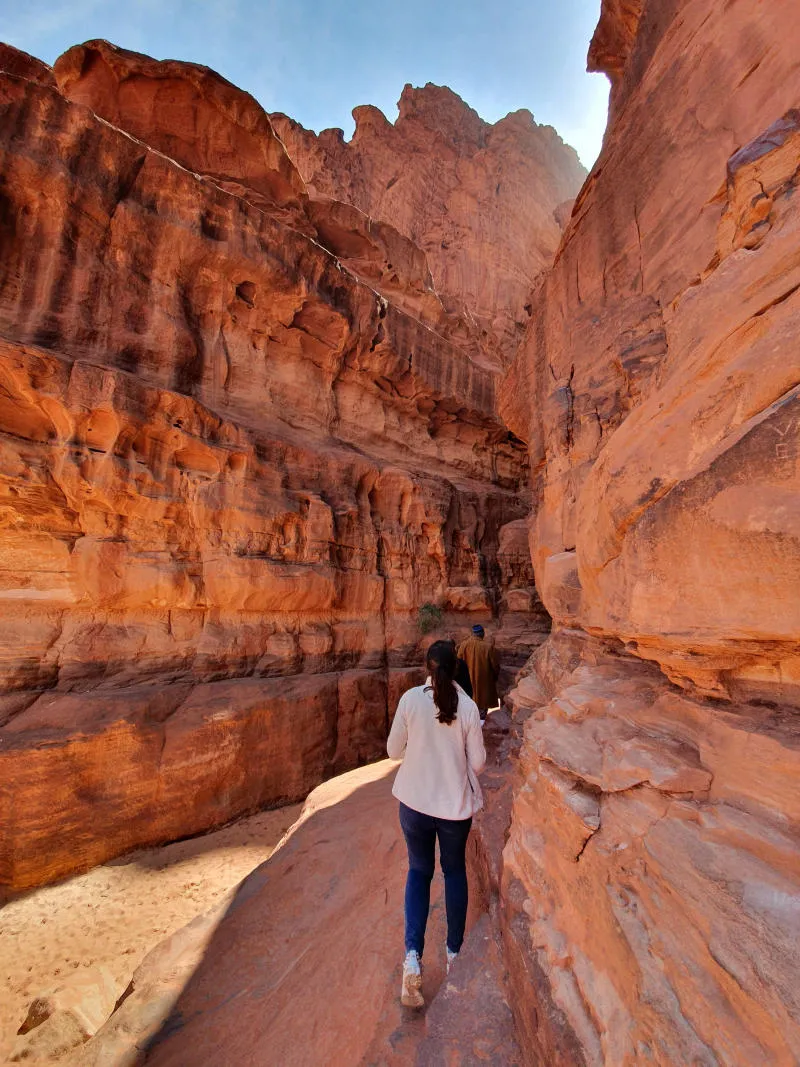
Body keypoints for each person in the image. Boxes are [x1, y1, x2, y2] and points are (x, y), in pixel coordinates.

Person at [387, 640, 486, 1008]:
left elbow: (392, 751)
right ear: (455, 667)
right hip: (453, 810)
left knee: (418, 871)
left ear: (428, 667)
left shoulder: (410, 700)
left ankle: (412, 957)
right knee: (455, 873)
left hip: (413, 804)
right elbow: (477, 764)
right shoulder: (470, 708)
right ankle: (454, 956)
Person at [457, 625, 500, 719]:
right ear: (483, 634)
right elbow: (495, 666)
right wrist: (495, 676)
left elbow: (458, 662)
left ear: (473, 634)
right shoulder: (488, 647)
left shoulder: (463, 645)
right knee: (482, 713)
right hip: (484, 684)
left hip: (467, 683)